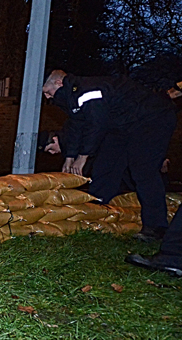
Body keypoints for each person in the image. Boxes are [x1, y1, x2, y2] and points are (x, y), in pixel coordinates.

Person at [42, 70, 177, 242]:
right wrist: (70, 157)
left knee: (143, 170)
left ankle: (156, 227)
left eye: (48, 91)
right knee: (105, 167)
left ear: (59, 83)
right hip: (121, 125)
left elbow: (96, 124)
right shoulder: (72, 99)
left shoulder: (88, 91)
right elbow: (77, 126)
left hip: (151, 118)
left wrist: (83, 156)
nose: (47, 97)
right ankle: (96, 214)